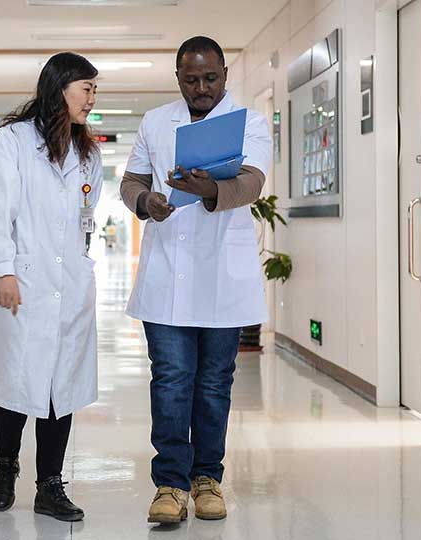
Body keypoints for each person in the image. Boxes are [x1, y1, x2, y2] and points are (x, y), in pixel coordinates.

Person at [119, 36, 272, 524]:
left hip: (224, 277)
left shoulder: (250, 122)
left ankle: (207, 479)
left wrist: (209, 189)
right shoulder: (155, 121)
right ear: (178, 78)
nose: (201, 88)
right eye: (191, 79)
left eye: (210, 78)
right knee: (170, 381)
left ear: (225, 74)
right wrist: (147, 203)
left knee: (213, 383)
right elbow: (131, 181)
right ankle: (169, 484)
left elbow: (251, 183)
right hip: (167, 272)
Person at [0, 52, 102, 523]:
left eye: (94, 89)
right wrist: (3, 270)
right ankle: (5, 469)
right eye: (86, 88)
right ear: (60, 88)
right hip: (20, 280)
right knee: (16, 383)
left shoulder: (88, 152)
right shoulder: (11, 141)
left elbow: (85, 219)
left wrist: (80, 267)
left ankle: (50, 486)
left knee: (61, 385)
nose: (92, 98)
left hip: (68, 284)